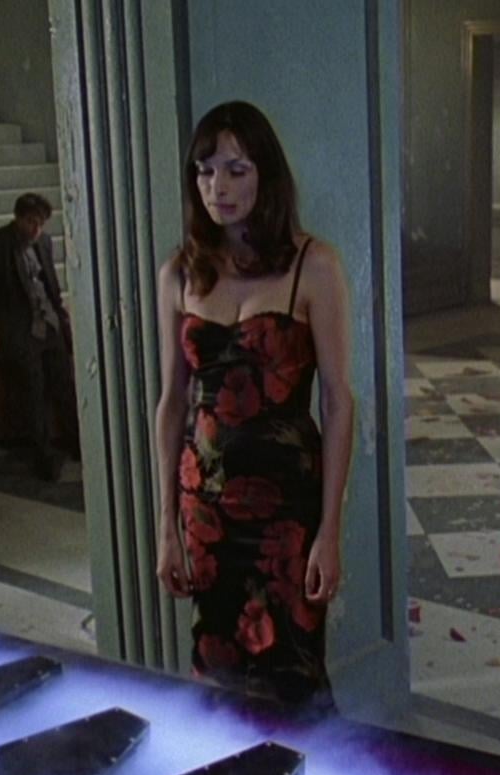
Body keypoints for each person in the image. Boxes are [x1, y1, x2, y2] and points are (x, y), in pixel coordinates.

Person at [152, 101, 354, 707]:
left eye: (236, 170)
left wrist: (330, 530)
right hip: (206, 507)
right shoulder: (178, 273)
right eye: (205, 171)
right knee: (215, 673)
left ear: (266, 173)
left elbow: (338, 403)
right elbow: (171, 402)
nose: (218, 187)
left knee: (293, 674)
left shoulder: (314, 266)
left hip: (286, 512)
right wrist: (166, 526)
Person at [0, 191, 79, 480]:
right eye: (31, 222)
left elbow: (50, 283)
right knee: (33, 391)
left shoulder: (43, 242)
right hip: (19, 326)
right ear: (18, 218)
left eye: (41, 223)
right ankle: (43, 457)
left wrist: (61, 317)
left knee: (64, 384)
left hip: (48, 323)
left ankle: (76, 443)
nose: (36, 229)